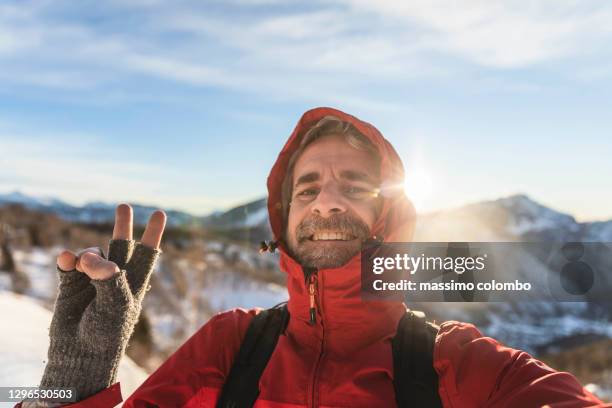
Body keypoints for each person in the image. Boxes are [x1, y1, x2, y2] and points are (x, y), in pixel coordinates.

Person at [19, 107, 607, 407]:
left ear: (389, 217)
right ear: (282, 219)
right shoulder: (230, 346)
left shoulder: (459, 363)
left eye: (355, 185)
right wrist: (72, 388)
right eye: (307, 188)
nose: (326, 201)